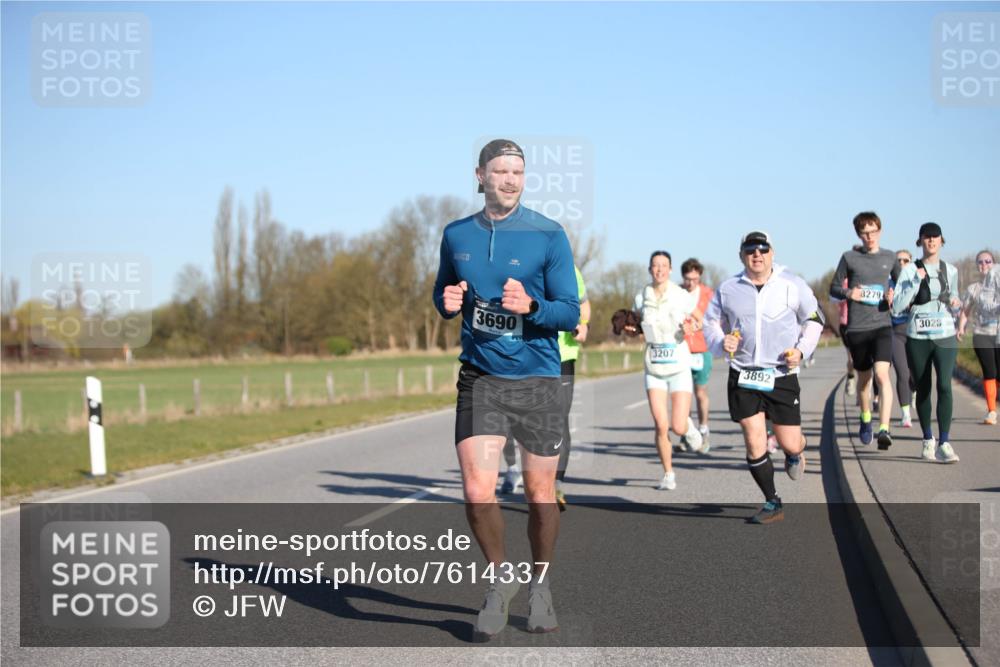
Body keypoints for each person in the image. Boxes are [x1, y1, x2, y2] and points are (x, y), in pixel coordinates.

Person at [433, 139, 580, 639]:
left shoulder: (548, 234)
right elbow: (443, 291)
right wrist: (447, 301)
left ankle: (540, 585)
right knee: (477, 492)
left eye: (518, 172)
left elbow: (571, 312)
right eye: (501, 171)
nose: (511, 180)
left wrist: (533, 308)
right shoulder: (456, 235)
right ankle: (500, 581)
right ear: (480, 176)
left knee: (540, 493)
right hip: (480, 376)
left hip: (538, 378)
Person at [704, 231, 823, 524]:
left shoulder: (792, 284)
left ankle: (795, 453)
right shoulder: (729, 288)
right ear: (741, 254)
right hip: (743, 374)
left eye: (762, 249)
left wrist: (801, 350)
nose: (757, 254)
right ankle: (772, 501)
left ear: (772, 252)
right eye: (750, 250)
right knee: (754, 440)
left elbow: (815, 320)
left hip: (780, 373)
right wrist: (721, 343)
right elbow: (710, 324)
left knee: (789, 442)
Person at [501, 265, 590, 509]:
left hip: (562, 356)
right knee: (510, 419)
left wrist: (583, 326)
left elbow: (584, 306)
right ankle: (512, 468)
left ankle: (556, 486)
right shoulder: (519, 264)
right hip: (525, 353)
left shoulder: (571, 271)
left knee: (558, 421)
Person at [625, 251, 703, 491]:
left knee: (677, 426)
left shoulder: (681, 295)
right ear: (650, 270)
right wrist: (631, 331)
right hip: (654, 367)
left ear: (670, 270)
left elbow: (698, 319)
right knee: (660, 425)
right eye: (655, 266)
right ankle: (668, 473)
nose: (659, 270)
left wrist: (693, 325)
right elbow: (636, 327)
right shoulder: (641, 296)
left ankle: (689, 429)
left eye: (664, 266)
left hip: (678, 366)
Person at [890, 222, 962, 463]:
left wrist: (955, 303)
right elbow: (898, 306)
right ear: (920, 241)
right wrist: (914, 283)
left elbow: (955, 297)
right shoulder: (910, 270)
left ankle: (945, 442)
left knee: (944, 385)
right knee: (923, 388)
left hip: (945, 335)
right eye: (926, 237)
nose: (931, 241)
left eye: (935, 237)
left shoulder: (950, 270)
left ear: (942, 241)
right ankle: (928, 440)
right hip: (918, 336)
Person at [830, 212, 897, 450]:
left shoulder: (890, 257)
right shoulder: (849, 258)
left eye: (873, 231)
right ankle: (866, 417)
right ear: (859, 234)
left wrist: (893, 295)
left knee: (882, 375)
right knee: (864, 380)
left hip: (882, 326)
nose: (869, 236)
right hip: (858, 329)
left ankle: (884, 429)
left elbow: (900, 286)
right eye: (864, 233)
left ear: (880, 230)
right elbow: (835, 287)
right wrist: (850, 293)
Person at [958, 250, 1000, 425]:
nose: (984, 265)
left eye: (988, 261)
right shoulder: (974, 288)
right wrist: (961, 327)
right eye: (980, 262)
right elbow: (965, 311)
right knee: (989, 371)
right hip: (981, 333)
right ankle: (991, 411)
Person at [681, 258, 714, 451]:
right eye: (687, 279)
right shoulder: (677, 293)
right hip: (681, 349)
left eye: (694, 279)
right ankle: (688, 433)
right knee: (683, 394)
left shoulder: (708, 294)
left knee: (700, 392)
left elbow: (714, 319)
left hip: (702, 349)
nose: (690, 283)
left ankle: (703, 430)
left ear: (699, 276)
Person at [889, 250, 916, 428]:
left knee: (916, 374)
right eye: (898, 261)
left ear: (911, 263)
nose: (901, 264)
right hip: (894, 331)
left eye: (905, 260)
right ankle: (905, 413)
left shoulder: (916, 282)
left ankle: (912, 390)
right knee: (902, 372)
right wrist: (887, 300)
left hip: (915, 331)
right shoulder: (888, 283)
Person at [838, 277, 858, 397]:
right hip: (846, 324)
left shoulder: (863, 279)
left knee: (864, 361)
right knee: (851, 358)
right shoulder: (843, 282)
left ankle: (863, 390)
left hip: (861, 323)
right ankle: (851, 378)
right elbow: (836, 299)